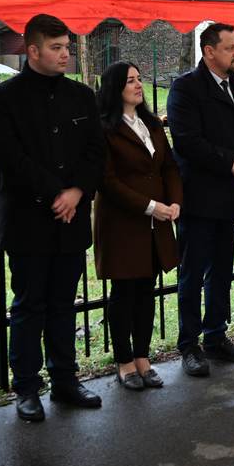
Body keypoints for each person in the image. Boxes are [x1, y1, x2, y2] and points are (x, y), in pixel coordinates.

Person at [0, 14, 105, 421]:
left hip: (71, 218)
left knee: (63, 304)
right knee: (29, 305)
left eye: (67, 47)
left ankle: (65, 379)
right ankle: (26, 387)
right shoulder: (5, 99)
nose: (65, 55)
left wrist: (77, 191)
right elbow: (9, 157)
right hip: (28, 220)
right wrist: (56, 192)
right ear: (33, 51)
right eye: (56, 48)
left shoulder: (82, 96)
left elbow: (96, 152)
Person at [166, 22, 234, 377]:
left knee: (221, 271)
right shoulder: (186, 88)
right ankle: (189, 344)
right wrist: (233, 165)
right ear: (209, 52)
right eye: (231, 47)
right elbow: (187, 141)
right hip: (200, 198)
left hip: (232, 198)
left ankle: (216, 336)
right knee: (192, 274)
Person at [94, 62, 183, 390]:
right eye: (130, 81)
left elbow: (169, 166)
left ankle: (143, 357)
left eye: (139, 79)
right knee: (124, 293)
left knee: (147, 289)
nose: (137, 85)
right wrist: (150, 206)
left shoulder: (152, 123)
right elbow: (107, 181)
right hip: (123, 222)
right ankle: (124, 361)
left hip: (157, 222)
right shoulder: (105, 128)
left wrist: (175, 202)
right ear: (114, 88)